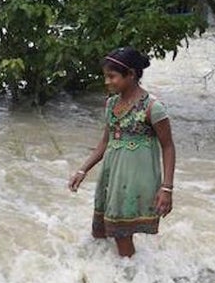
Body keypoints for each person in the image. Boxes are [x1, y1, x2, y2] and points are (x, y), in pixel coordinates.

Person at [68, 47, 175, 258]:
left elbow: (168, 146)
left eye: (112, 76)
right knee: (100, 231)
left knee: (121, 233)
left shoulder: (153, 108)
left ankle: (131, 273)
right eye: (105, 77)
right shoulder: (111, 104)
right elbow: (105, 141)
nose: (107, 82)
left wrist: (167, 188)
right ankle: (107, 271)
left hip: (135, 178)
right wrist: (82, 170)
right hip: (112, 176)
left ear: (131, 74)